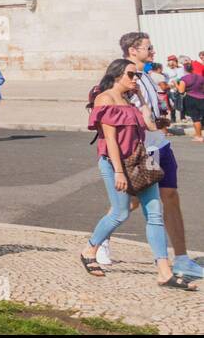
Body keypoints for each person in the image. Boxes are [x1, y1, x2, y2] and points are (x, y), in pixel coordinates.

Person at [80, 59, 194, 290]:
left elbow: (151, 126)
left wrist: (141, 99)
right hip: (116, 163)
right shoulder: (106, 99)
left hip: (143, 159)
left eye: (137, 76)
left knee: (155, 214)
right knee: (120, 213)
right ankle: (89, 249)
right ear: (116, 75)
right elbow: (110, 140)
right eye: (131, 75)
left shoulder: (130, 101)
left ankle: (164, 273)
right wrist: (119, 172)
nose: (135, 79)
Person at [119, 31, 201, 279]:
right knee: (131, 204)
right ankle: (100, 240)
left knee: (172, 197)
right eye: (149, 47)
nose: (153, 51)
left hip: (162, 146)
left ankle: (183, 258)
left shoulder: (148, 75)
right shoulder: (125, 76)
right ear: (133, 50)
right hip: (146, 150)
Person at [178, 66, 204, 142]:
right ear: (193, 69)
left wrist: (176, 85)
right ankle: (198, 134)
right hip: (202, 98)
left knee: (196, 118)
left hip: (191, 98)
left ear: (184, 70)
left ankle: (199, 136)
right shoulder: (201, 77)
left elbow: (181, 91)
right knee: (202, 117)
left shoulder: (184, 78)